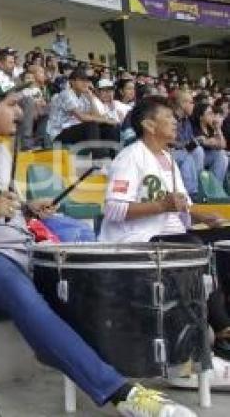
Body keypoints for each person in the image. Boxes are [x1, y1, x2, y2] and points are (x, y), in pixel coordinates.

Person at [0, 74, 197, 417]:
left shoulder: (1, 152)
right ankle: (123, 393)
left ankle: (164, 364)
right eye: (13, 105)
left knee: (83, 286)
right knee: (23, 296)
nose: (21, 113)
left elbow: (3, 204)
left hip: (18, 247)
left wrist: (30, 208)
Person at [99, 96, 230, 374]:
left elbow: (181, 202)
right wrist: (161, 205)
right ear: (148, 124)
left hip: (169, 234)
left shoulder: (168, 158)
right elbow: (112, 208)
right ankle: (221, 334)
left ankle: (223, 323)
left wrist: (201, 215)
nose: (176, 122)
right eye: (168, 118)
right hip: (136, 241)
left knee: (223, 242)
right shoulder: (130, 157)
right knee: (192, 246)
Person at [47, 67, 120, 160]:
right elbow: (82, 117)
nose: (85, 83)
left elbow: (97, 116)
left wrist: (91, 99)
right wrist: (106, 120)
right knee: (91, 125)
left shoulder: (84, 96)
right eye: (81, 80)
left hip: (78, 131)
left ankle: (114, 158)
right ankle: (99, 159)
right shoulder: (66, 94)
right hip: (59, 134)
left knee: (110, 127)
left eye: (86, 80)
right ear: (72, 82)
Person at [172, 91, 206, 197]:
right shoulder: (170, 117)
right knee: (187, 156)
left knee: (199, 151)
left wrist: (194, 142)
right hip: (168, 152)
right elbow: (167, 141)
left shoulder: (186, 120)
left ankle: (200, 190)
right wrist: (187, 144)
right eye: (191, 102)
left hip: (182, 151)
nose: (193, 105)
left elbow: (189, 142)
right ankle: (191, 194)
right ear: (182, 104)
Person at [192, 101, 229, 186]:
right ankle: (200, 186)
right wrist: (213, 142)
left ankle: (215, 187)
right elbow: (205, 142)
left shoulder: (210, 128)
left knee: (222, 156)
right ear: (201, 117)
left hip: (208, 157)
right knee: (218, 153)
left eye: (212, 113)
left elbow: (223, 145)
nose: (213, 116)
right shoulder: (196, 129)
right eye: (209, 113)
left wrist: (218, 129)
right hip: (196, 158)